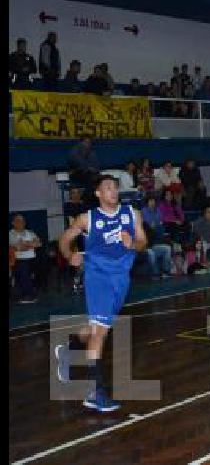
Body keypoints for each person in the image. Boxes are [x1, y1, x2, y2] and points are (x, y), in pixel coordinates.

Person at [55, 175, 147, 412]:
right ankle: (95, 393)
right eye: (107, 188)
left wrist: (132, 244)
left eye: (115, 187)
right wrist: (69, 256)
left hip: (121, 279)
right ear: (98, 193)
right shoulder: (87, 218)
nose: (113, 191)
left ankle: (68, 347)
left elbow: (143, 242)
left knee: (97, 328)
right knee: (100, 332)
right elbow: (64, 239)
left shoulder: (131, 213)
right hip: (98, 277)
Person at [9, 214, 42, 304]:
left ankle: (31, 291)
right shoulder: (11, 234)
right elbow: (17, 247)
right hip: (18, 260)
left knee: (42, 263)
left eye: (23, 221)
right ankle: (30, 295)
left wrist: (25, 244)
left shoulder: (30, 232)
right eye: (18, 221)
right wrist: (31, 244)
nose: (21, 223)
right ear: (13, 223)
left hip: (32, 258)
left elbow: (38, 244)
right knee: (23, 268)